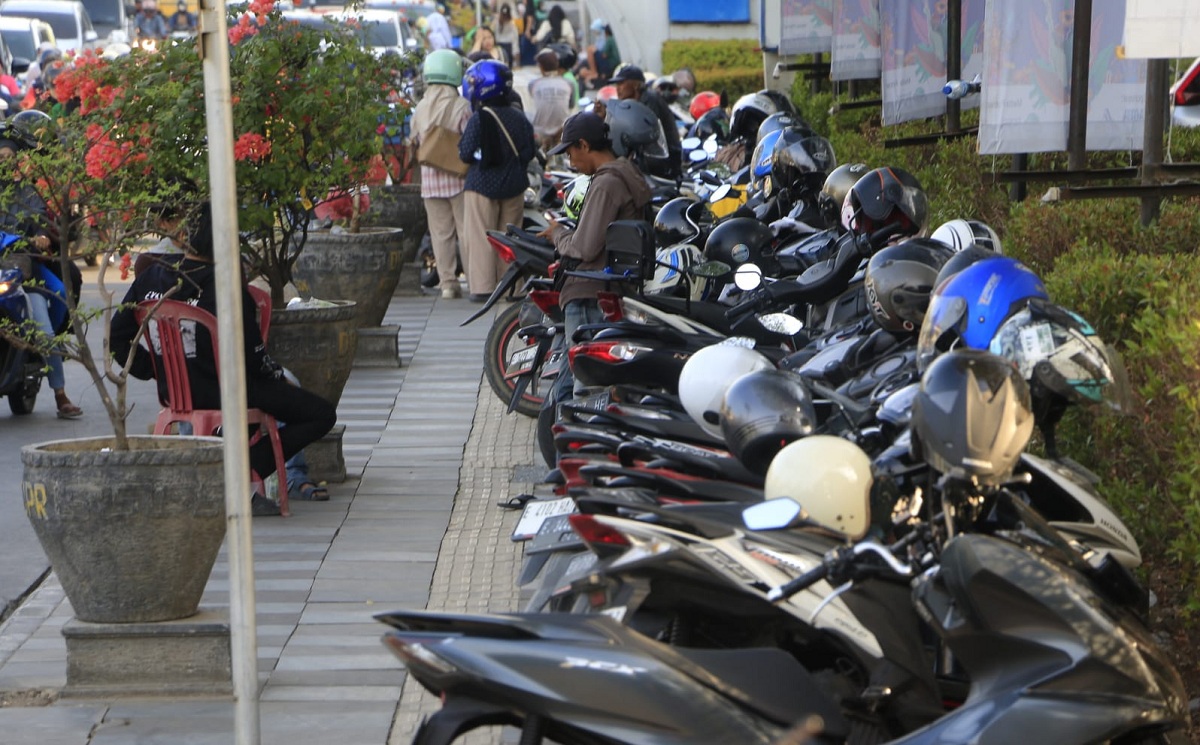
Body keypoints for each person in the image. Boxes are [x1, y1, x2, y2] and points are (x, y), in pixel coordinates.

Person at [110, 203, 337, 517]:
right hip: (227, 389)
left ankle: (225, 468)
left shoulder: (150, 278)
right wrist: (277, 377)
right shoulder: (227, 286)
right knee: (320, 414)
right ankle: (241, 467)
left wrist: (157, 370)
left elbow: (116, 339)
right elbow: (253, 357)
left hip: (177, 391)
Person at [540, 112, 650, 369]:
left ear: (585, 145)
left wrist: (557, 233)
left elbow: (584, 248)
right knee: (568, 384)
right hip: (609, 288)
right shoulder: (628, 174)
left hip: (589, 292)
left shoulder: (606, 183)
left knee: (583, 384)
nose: (570, 161)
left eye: (570, 153)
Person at [0, 136, 82, 419]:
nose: (3, 162)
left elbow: (40, 221)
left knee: (46, 330)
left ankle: (60, 394)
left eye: (7, 157)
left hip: (22, 271)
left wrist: (41, 237)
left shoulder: (28, 192)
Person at [457, 59, 536, 301]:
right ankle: (511, 288)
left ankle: (483, 289)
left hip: (481, 185)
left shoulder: (479, 119)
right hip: (513, 186)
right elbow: (529, 152)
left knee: (481, 238)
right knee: (509, 240)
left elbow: (465, 153)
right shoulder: (519, 117)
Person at [412, 49, 472, 300]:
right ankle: (472, 278)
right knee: (465, 231)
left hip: (430, 181)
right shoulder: (461, 106)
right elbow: (469, 140)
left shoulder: (420, 108)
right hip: (458, 178)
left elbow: (414, 140)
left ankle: (447, 283)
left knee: (440, 234)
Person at [597, 64, 681, 178]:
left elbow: (642, 134)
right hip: (650, 159)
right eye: (617, 84)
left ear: (636, 85)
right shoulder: (633, 102)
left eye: (621, 83)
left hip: (664, 162)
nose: (617, 88)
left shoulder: (650, 100)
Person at [528, 47, 575, 152]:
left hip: (538, 133)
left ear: (541, 67)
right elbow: (571, 105)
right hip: (562, 133)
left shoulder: (533, 84)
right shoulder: (569, 83)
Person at [577, 18, 620, 90]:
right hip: (607, 64)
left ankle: (593, 72)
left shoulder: (608, 39)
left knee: (590, 50)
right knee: (582, 69)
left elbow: (604, 53)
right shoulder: (604, 38)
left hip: (608, 65)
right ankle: (585, 72)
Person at [494, 4, 519, 69]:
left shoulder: (511, 24)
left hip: (507, 46)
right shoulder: (497, 22)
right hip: (501, 45)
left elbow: (514, 39)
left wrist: (515, 51)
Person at [519, 0, 540, 67]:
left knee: (527, 54)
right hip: (532, 34)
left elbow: (529, 19)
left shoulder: (529, 7)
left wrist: (527, 30)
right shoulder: (532, 8)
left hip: (529, 34)